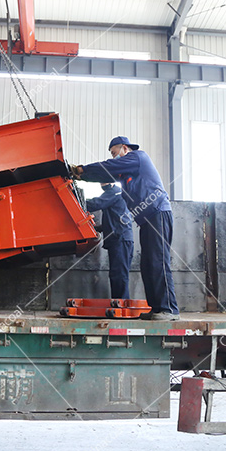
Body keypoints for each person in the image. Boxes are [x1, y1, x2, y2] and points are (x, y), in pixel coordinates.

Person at [72, 136, 180, 321]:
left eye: (114, 153)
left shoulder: (138, 157)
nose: (114, 158)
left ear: (124, 148)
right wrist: (81, 176)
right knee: (148, 264)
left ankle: (169, 309)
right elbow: (105, 174)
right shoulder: (125, 172)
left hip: (158, 213)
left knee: (158, 261)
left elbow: (109, 167)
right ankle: (157, 309)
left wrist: (82, 169)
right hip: (146, 220)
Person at [86, 183, 134, 301]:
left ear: (112, 181)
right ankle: (119, 302)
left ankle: (121, 303)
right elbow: (114, 219)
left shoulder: (115, 193)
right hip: (119, 239)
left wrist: (76, 201)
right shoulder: (116, 194)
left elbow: (95, 204)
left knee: (119, 274)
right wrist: (97, 228)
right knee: (117, 273)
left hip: (120, 239)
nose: (103, 185)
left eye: (104, 182)